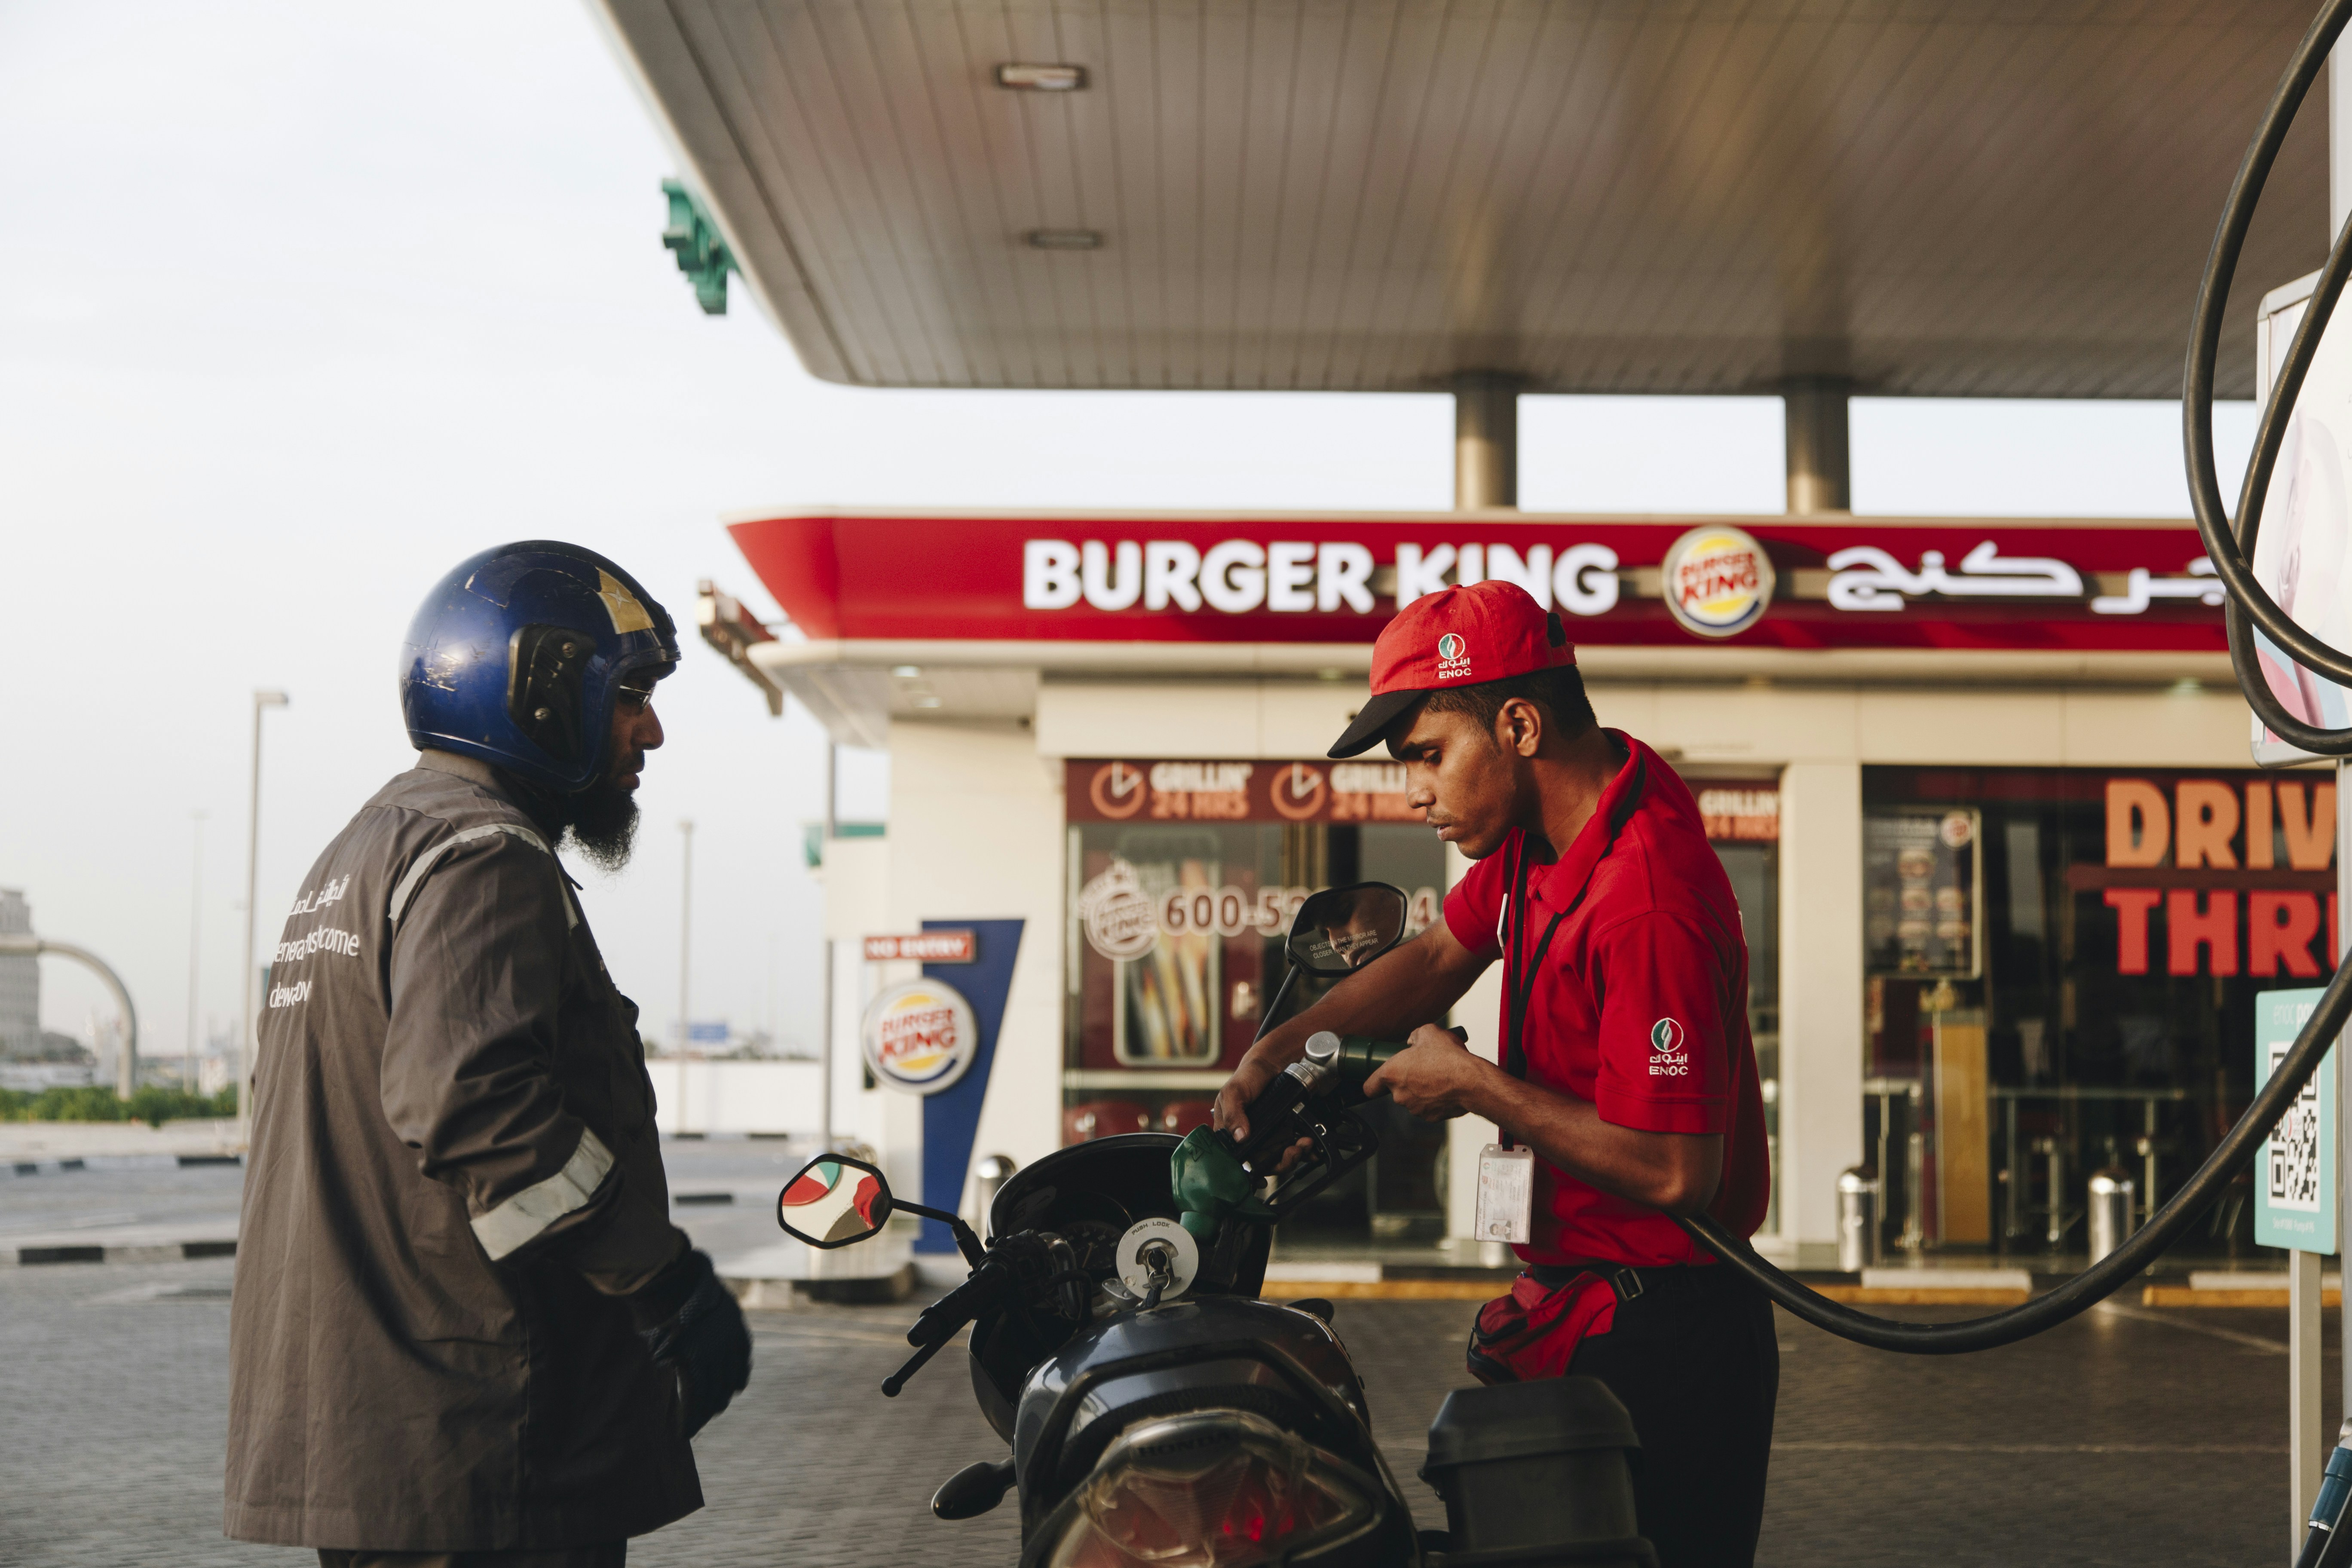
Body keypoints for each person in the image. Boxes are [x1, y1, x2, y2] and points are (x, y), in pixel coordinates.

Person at [1213, 579, 1775, 1568]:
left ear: (1517, 723)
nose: (1414, 792)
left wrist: (1473, 1086)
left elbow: (1678, 1170)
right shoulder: (1541, 840)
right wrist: (1282, 1050)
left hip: (1664, 1342)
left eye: (1428, 756)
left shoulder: (1646, 898)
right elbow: (1435, 958)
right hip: (1578, 1309)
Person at [225, 541, 752, 1568]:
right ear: (540, 691)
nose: (652, 729)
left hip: (390, 1436)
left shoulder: (365, 852)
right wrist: (665, 1283)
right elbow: (474, 1106)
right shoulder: (483, 859)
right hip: (482, 1446)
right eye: (630, 694)